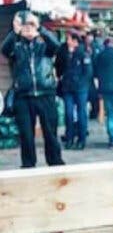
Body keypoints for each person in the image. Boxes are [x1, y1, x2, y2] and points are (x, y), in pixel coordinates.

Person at [1, 11, 64, 168]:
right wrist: (14, 32)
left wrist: (40, 27)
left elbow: (56, 45)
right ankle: (28, 164)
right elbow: (4, 49)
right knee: (26, 134)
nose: (28, 29)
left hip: (46, 93)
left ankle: (55, 162)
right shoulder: (16, 47)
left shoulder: (44, 47)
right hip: (23, 96)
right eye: (25, 27)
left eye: (31, 26)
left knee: (50, 132)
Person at [55, 29, 93, 150]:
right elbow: (58, 65)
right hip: (67, 87)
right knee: (68, 114)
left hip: (80, 88)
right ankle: (69, 138)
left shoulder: (83, 52)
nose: (67, 41)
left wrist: (81, 82)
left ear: (75, 41)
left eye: (69, 39)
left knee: (81, 113)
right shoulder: (63, 50)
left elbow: (88, 72)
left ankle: (81, 139)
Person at [85, 30, 102, 120]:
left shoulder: (95, 47)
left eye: (90, 36)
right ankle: (94, 111)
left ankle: (95, 111)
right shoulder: (88, 46)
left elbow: (96, 61)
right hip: (90, 74)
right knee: (92, 93)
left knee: (93, 94)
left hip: (93, 74)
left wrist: (96, 75)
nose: (89, 38)